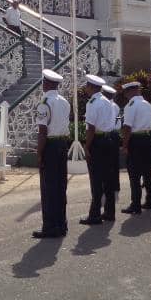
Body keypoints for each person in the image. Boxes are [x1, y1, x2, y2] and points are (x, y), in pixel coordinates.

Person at [33, 69, 70, 238]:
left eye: (43, 82)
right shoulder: (64, 102)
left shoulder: (45, 102)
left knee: (49, 188)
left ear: (46, 83)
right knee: (61, 186)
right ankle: (61, 224)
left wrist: (39, 153)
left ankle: (50, 226)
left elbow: (42, 131)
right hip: (62, 144)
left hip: (51, 145)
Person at [79, 74, 116, 224]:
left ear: (91, 87)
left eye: (87, 86)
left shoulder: (92, 103)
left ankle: (94, 215)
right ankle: (109, 212)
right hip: (109, 139)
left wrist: (87, 146)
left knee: (96, 179)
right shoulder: (107, 102)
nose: (86, 89)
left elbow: (91, 128)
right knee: (108, 178)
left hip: (98, 142)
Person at [120, 81, 151, 214]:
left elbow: (127, 127)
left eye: (126, 93)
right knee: (147, 172)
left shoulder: (131, 105)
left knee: (134, 174)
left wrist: (124, 145)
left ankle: (135, 204)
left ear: (130, 91)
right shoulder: (147, 104)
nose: (125, 95)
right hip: (147, 138)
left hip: (135, 140)